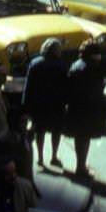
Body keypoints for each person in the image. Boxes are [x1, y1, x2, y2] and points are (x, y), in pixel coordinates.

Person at [64, 41, 106, 181]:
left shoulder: (76, 65)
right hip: (90, 107)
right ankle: (81, 167)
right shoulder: (93, 67)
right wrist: (101, 61)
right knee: (85, 137)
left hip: (77, 106)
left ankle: (81, 165)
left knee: (80, 136)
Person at [22, 35, 69, 169]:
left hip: (39, 104)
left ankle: (41, 158)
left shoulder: (35, 64)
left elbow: (28, 86)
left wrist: (26, 106)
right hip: (56, 104)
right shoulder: (62, 66)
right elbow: (66, 87)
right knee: (56, 131)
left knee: (39, 131)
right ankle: (54, 156)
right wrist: (66, 102)